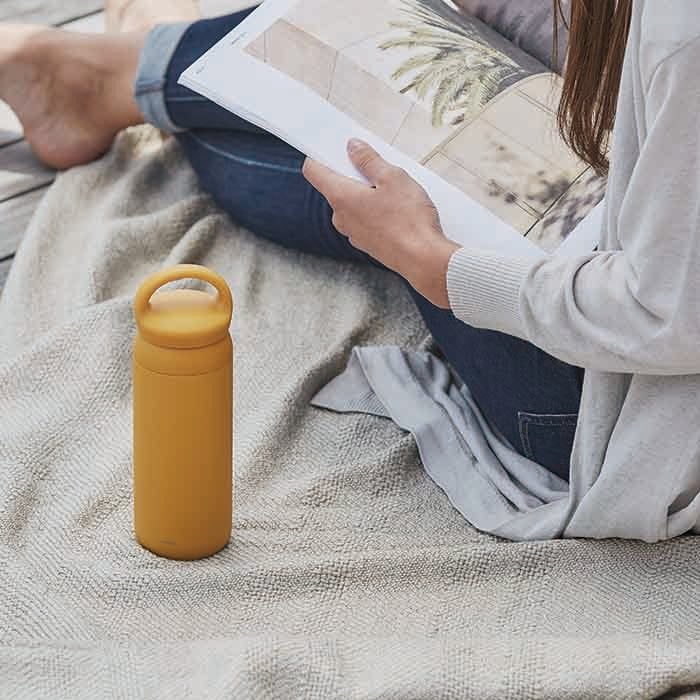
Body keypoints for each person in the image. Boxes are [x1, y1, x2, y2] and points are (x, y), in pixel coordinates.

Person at [2, 0, 699, 540]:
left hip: (618, 421)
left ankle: (111, 78)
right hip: (617, 276)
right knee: (376, 48)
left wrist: (436, 264)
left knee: (358, 173)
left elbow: (667, 314)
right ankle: (120, 74)